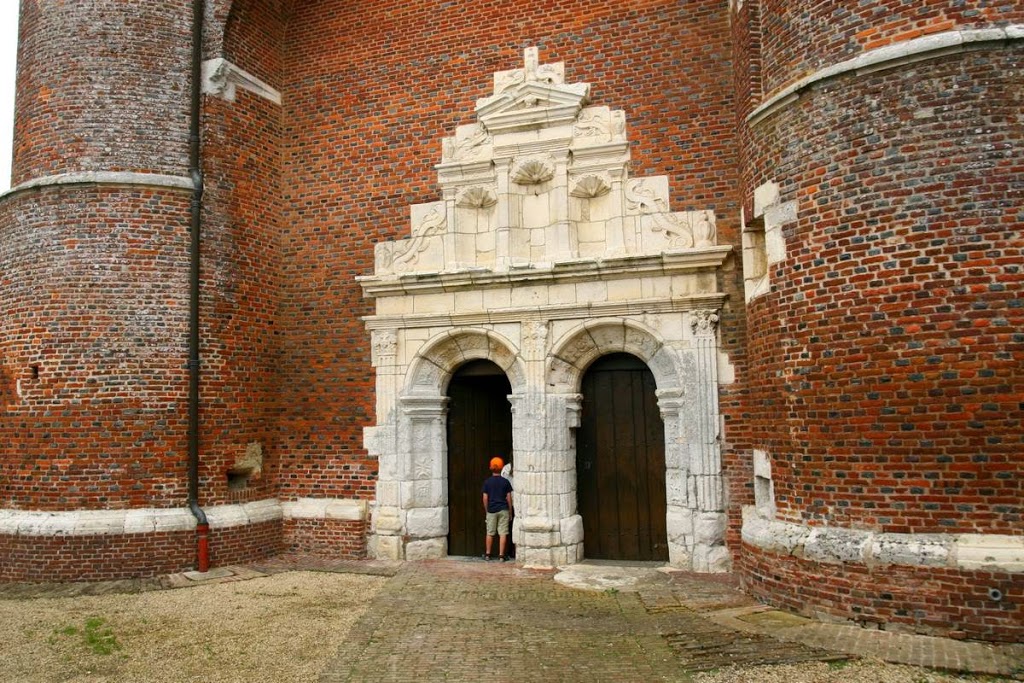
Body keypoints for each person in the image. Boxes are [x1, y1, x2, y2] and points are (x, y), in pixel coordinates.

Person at [482, 456, 513, 562]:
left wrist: (487, 510)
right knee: (503, 532)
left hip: (491, 510)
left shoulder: (487, 482)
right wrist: (510, 512)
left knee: (490, 532)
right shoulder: (505, 482)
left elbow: (485, 498)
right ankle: (501, 556)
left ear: (491, 468)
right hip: (503, 509)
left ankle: (487, 554)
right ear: (501, 468)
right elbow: (509, 498)